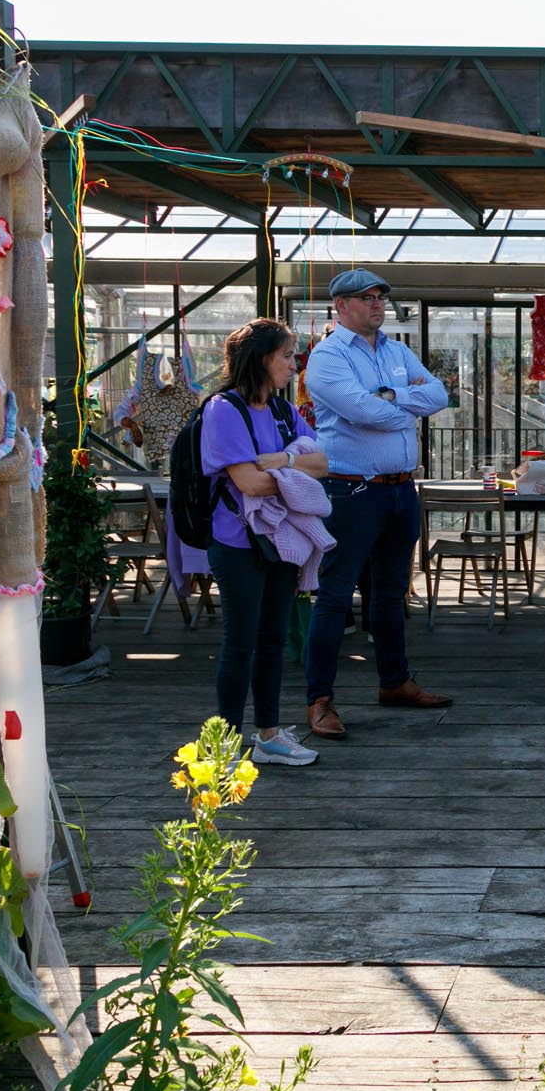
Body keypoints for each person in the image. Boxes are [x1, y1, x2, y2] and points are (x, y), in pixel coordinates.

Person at [301, 269, 453, 738]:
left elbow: (441, 394)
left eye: (380, 297)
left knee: (389, 595)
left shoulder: (394, 350)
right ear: (340, 307)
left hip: (399, 490)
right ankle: (320, 701)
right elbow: (362, 412)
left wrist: (391, 396)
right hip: (352, 491)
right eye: (365, 298)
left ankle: (394, 682)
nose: (377, 305)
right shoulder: (327, 357)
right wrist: (405, 409)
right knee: (334, 595)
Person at [201, 318, 331, 766]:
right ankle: (226, 747)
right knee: (240, 642)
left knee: (273, 639)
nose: (295, 366)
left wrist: (280, 462)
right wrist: (295, 473)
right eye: (287, 356)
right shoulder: (223, 410)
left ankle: (269, 735)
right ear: (261, 359)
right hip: (238, 541)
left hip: (279, 540)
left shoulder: (279, 408)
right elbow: (249, 485)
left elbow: (323, 462)